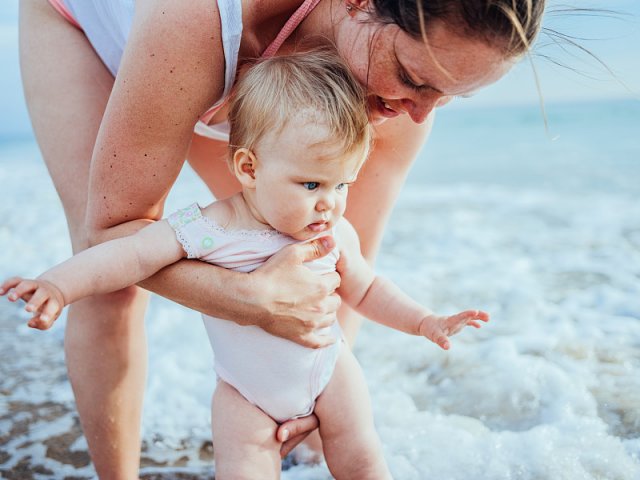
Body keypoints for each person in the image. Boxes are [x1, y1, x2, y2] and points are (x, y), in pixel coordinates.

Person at [18, 0, 544, 477]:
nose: (420, 112)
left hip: (219, 54)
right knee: (114, 283)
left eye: (451, 95)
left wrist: (309, 404)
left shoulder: (406, 102)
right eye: (413, 77)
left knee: (285, 228)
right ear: (360, 3)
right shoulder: (199, 19)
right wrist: (245, 301)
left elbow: (345, 278)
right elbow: (111, 234)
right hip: (90, 22)